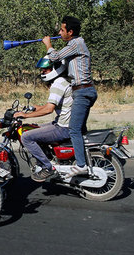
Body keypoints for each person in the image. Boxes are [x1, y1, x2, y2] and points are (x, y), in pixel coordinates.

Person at [42, 15, 97, 177]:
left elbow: (55, 57)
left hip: (82, 92)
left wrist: (48, 45)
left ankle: (81, 165)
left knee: (73, 130)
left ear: (70, 32)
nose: (59, 32)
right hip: (83, 91)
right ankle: (82, 156)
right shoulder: (75, 44)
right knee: (80, 129)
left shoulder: (76, 43)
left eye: (62, 30)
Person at [14, 56, 72, 182]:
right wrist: (36, 108)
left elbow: (49, 109)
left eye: (45, 69)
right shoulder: (62, 81)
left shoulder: (58, 84)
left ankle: (47, 167)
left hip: (63, 127)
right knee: (36, 128)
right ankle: (48, 157)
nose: (42, 72)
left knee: (26, 137)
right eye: (42, 70)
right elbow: (48, 106)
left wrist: (25, 115)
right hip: (64, 123)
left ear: (55, 68)